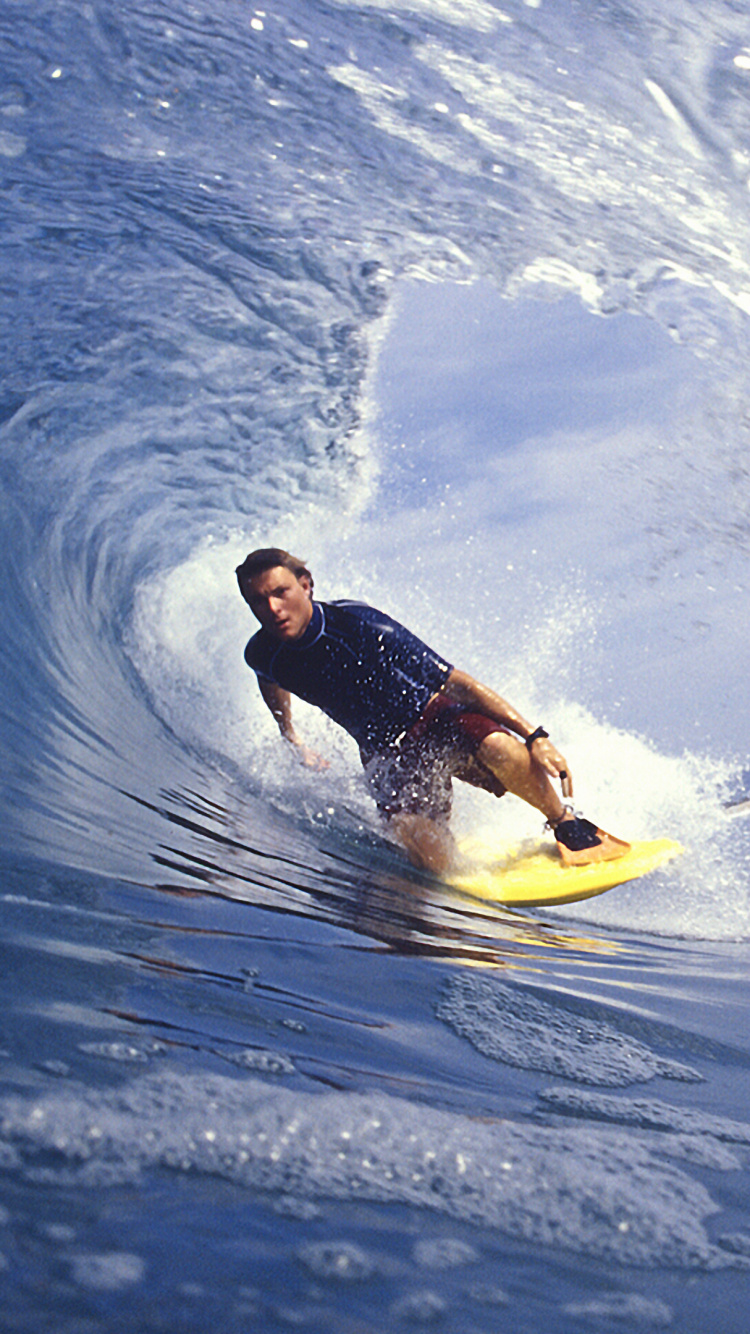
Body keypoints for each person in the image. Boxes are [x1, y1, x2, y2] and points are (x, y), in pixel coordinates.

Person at [236, 547, 628, 874]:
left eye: (281, 592)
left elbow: (458, 684)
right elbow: (268, 678)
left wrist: (535, 737)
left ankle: (567, 824)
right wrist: (291, 736)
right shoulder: (263, 653)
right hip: (386, 755)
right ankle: (457, 884)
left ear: (305, 585)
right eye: (257, 600)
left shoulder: (361, 625)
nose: (272, 608)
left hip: (436, 719)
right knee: (418, 842)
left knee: (500, 749)